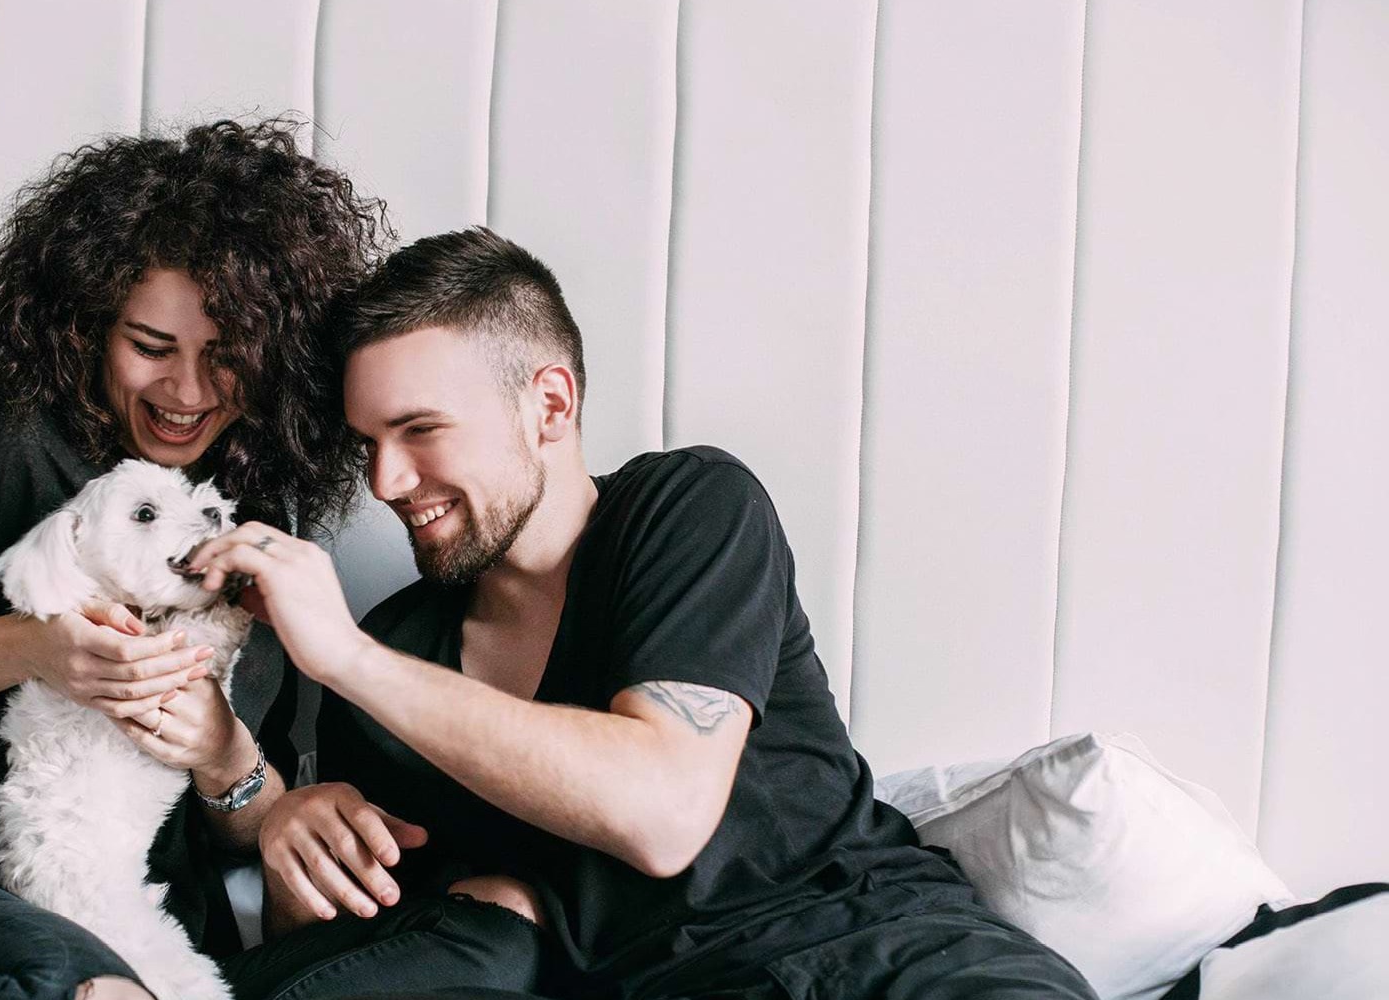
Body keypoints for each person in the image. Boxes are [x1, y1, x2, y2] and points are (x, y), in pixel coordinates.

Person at [188, 227, 1101, 999]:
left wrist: (346, 658)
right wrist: (292, 845)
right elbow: (388, 953)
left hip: (883, 954)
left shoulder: (688, 508)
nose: (387, 482)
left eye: (420, 430)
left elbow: (664, 813)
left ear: (550, 405)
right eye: (369, 444)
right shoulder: (395, 652)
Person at [0, 119, 390, 1000]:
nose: (187, 392)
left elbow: (255, 824)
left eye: (226, 357)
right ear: (89, 326)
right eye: (151, 347)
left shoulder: (252, 510)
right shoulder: (8, 450)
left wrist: (222, 753)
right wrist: (33, 648)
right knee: (74, 984)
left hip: (166, 916)